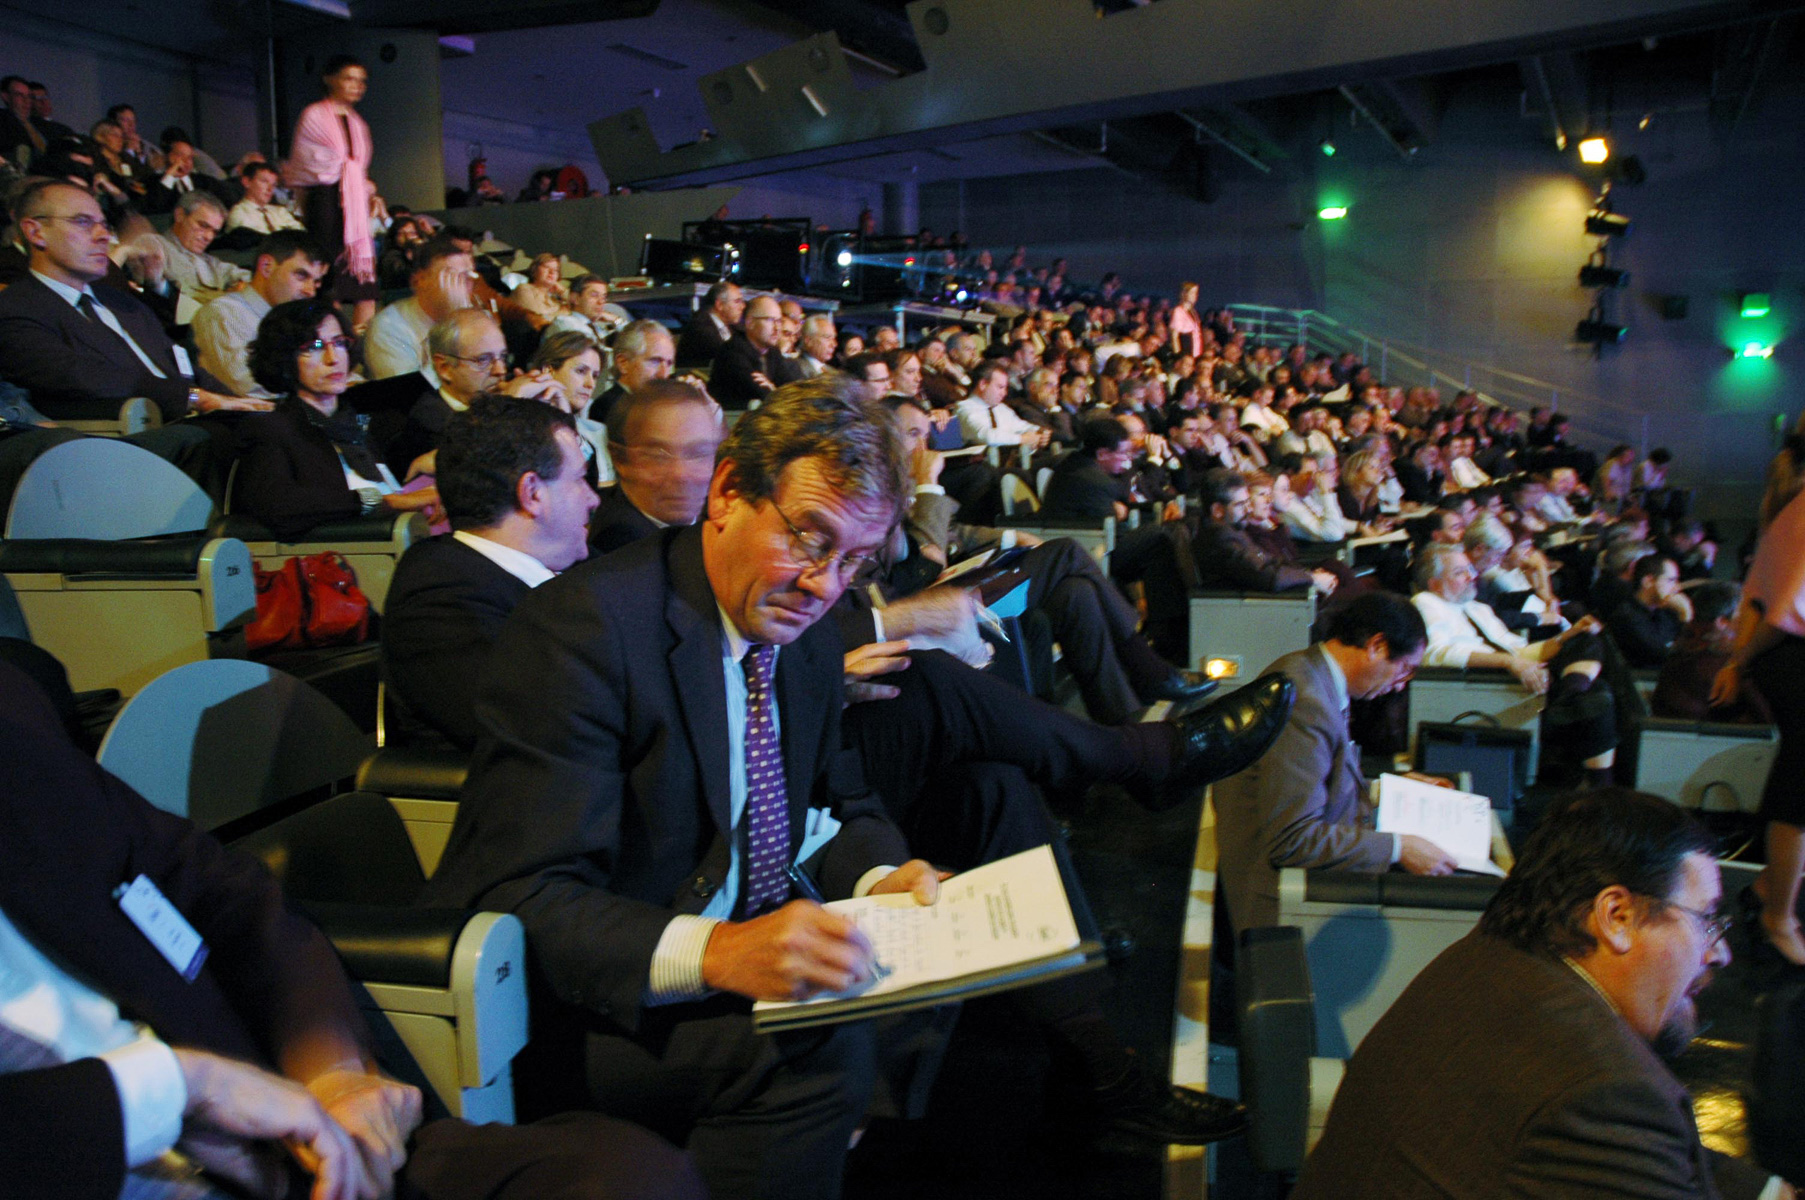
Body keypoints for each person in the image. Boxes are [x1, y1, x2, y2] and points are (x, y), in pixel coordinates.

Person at [420, 377, 949, 1200]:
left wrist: (887, 881)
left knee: (928, 971)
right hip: (593, 1001)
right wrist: (724, 952)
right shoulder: (584, 629)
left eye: (853, 561)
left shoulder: (800, 630)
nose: (825, 586)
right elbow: (522, 894)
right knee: (814, 1050)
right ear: (729, 493)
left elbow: (834, 803)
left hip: (729, 951)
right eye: (810, 539)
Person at [0, 659, 706, 1200]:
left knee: (628, 1176)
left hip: (301, 1143)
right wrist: (178, 1088)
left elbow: (229, 894)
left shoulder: (12, 719)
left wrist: (332, 1073)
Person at [1292, 788, 1787, 1200]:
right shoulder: (1606, 1090)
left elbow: (1660, 1157)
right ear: (1617, 917)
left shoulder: (1486, 961)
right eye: (1706, 922)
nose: (1719, 954)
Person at [1212, 593, 1457, 936]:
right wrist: (1400, 847)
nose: (1402, 684)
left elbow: (1316, 777)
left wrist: (1385, 789)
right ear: (1376, 645)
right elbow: (1293, 839)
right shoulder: (1305, 699)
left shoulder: (1310, 669)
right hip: (1280, 902)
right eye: (1405, 668)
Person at [383, 394, 601, 750]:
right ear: (532, 493)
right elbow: (540, 723)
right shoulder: (438, 597)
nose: (593, 498)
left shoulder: (587, 566)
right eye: (578, 480)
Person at [0, 180, 263, 424]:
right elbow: (85, 378)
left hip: (193, 420)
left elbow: (179, 363)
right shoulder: (17, 308)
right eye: (83, 222)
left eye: (104, 224)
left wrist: (242, 404)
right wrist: (195, 398)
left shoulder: (120, 302)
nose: (102, 235)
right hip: (126, 437)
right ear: (36, 232)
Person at [235, 296, 442, 540]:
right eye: (314, 347)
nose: (333, 358)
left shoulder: (357, 422)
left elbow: (400, 489)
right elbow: (279, 507)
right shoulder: (270, 429)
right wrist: (384, 501)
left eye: (339, 342)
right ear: (285, 358)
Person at [1712, 487, 1805, 965]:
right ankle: (1778, 919)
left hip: (1783, 653)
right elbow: (1782, 610)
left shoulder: (1792, 506)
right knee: (1798, 794)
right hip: (1792, 656)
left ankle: (1770, 889)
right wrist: (1740, 662)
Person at [1041, 416, 1195, 663]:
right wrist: (1118, 510)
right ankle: (1169, 633)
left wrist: (1120, 509)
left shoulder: (1083, 465)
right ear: (1102, 453)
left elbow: (1123, 499)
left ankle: (1167, 631)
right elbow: (1117, 513)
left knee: (1165, 537)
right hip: (1087, 551)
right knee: (1161, 538)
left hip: (1095, 540)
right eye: (1123, 454)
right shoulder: (1093, 480)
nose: (1128, 459)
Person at [385, 309, 567, 474]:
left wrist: (554, 415)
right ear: (445, 368)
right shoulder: (428, 418)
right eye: (483, 360)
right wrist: (509, 405)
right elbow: (481, 469)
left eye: (503, 357)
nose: (500, 370)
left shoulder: (497, 404)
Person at [288, 54, 381, 327]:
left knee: (364, 286)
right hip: (325, 201)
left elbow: (359, 168)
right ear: (330, 79)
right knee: (331, 280)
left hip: (354, 206)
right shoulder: (313, 115)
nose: (357, 86)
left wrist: (365, 190)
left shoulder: (359, 123)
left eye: (362, 81)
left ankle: (362, 341)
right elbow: (306, 164)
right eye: (349, 78)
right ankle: (336, 335)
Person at [592, 379, 723, 554]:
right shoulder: (619, 546)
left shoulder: (718, 517)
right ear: (619, 459)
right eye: (659, 456)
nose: (681, 474)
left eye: (698, 454)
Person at [192, 230, 327, 398]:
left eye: (315, 282)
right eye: (301, 276)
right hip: (253, 418)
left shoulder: (295, 319)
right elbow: (249, 389)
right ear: (266, 267)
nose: (310, 291)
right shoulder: (222, 314)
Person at [1653, 582, 1772, 724]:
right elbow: (1768, 722)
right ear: (1722, 622)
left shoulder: (1680, 652)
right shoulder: (1723, 668)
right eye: (1744, 617)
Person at [363, 235, 476, 380]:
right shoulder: (388, 328)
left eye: (467, 276)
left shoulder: (473, 315)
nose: (463, 285)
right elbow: (410, 394)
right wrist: (458, 325)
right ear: (420, 281)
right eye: (452, 277)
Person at [526, 328, 614, 486]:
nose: (590, 384)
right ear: (549, 370)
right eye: (581, 371)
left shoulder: (600, 433)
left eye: (595, 376)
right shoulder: (523, 429)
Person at [152, 190, 252, 310]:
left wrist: (242, 286)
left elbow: (245, 276)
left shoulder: (210, 262)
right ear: (180, 215)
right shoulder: (155, 246)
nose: (209, 237)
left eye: (215, 232)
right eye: (203, 226)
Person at [589, 318, 677, 428]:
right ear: (623, 363)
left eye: (669, 363)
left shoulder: (658, 403)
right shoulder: (608, 407)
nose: (663, 374)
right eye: (655, 361)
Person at [1607, 553, 1692, 668]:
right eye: (1671, 580)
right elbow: (1661, 655)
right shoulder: (1626, 615)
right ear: (1648, 581)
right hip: (1646, 679)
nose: (1677, 587)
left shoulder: (1666, 610)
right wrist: (1686, 616)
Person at [709, 293, 785, 408]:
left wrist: (773, 389)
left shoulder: (773, 351)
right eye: (770, 320)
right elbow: (759, 393)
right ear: (750, 323)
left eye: (779, 321)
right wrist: (777, 391)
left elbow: (793, 388)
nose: (777, 328)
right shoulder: (733, 351)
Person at [141, 137, 230, 215]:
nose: (186, 161)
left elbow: (227, 198)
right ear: (168, 157)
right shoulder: (153, 182)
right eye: (180, 155)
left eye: (190, 157)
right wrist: (169, 176)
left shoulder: (203, 181)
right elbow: (153, 206)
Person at [674, 279, 743, 369]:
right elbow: (730, 356)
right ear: (720, 305)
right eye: (737, 301)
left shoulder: (734, 328)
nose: (742, 307)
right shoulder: (700, 327)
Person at [225, 160, 306, 236]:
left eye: (274, 184)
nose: (270, 189)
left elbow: (301, 234)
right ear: (247, 182)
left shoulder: (280, 211)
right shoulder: (239, 214)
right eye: (264, 182)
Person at [510, 252, 568, 327]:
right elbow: (540, 320)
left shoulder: (554, 299)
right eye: (547, 267)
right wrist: (563, 311)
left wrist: (563, 291)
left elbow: (577, 305)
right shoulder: (523, 289)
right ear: (535, 270)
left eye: (556, 270)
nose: (552, 272)